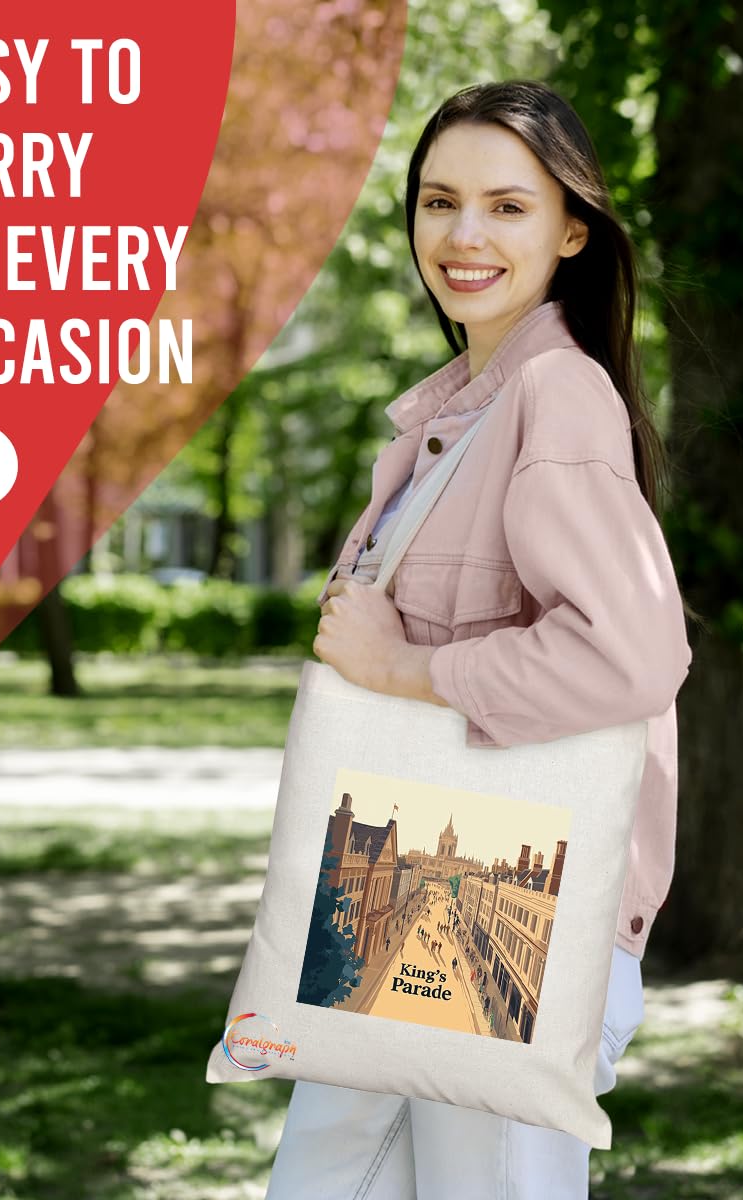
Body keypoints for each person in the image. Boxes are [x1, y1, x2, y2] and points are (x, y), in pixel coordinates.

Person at [265, 79, 691, 1199]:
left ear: (570, 229)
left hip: (511, 914)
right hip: (414, 897)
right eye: (438, 201)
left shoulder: (556, 397)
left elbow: (629, 659)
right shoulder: (459, 415)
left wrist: (402, 667)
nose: (462, 236)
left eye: (506, 207)